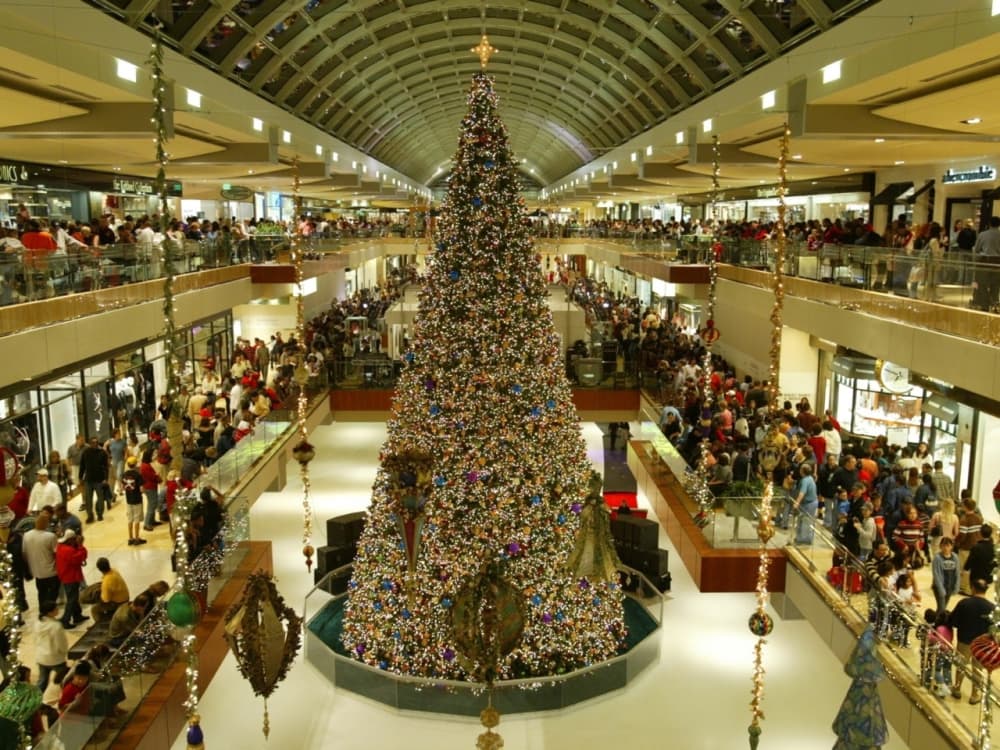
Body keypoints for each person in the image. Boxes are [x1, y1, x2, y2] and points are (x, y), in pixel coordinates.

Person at [949, 578, 996, 703]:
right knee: (978, 669)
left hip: (964, 640)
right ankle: (975, 694)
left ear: (972, 588)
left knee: (961, 665)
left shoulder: (964, 603)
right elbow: (994, 630)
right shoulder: (992, 608)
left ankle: (957, 688)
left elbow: (953, 621)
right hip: (982, 645)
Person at [22, 512, 59, 607]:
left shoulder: (26, 535)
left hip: (36, 571)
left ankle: (42, 609)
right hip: (51, 570)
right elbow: (56, 553)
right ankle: (49, 608)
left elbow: (24, 553)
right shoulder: (50, 536)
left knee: (41, 592)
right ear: (46, 524)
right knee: (53, 591)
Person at [55, 529, 88, 628]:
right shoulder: (68, 550)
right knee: (72, 599)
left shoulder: (61, 547)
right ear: (70, 540)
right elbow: (80, 557)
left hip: (67, 576)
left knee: (74, 597)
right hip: (71, 577)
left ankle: (77, 615)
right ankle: (65, 619)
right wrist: (81, 545)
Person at [35, 600, 68, 696]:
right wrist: (64, 652)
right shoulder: (56, 626)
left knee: (42, 682)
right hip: (55, 658)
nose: (58, 610)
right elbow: (61, 644)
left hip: (41, 657)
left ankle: (35, 700)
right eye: (56, 609)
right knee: (65, 678)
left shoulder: (37, 623)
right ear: (50, 612)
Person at [78, 435, 110, 523]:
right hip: (88, 480)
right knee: (88, 499)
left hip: (100, 480)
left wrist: (106, 479)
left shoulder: (102, 453)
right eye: (92, 443)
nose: (94, 444)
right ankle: (90, 516)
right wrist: (80, 477)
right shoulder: (86, 453)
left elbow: (106, 467)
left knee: (100, 498)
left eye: (96, 442)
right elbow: (82, 466)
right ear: (90, 443)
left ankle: (99, 514)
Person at [956, 497, 984, 594]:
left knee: (964, 568)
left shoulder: (964, 520)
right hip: (977, 546)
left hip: (966, 547)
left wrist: (957, 543)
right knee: (973, 568)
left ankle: (965, 588)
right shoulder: (979, 518)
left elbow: (963, 535)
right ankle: (972, 588)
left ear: (965, 507)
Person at [92, 557, 129, 623]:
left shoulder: (107, 581)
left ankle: (100, 624)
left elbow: (106, 599)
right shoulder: (114, 571)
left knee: (94, 609)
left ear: (99, 569)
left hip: (118, 603)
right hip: (126, 598)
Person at [930, 537, 960, 615]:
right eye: (944, 546)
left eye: (948, 546)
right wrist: (941, 589)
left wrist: (956, 586)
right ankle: (938, 625)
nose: (946, 548)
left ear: (951, 546)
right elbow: (936, 574)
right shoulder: (937, 558)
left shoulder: (955, 557)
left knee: (942, 608)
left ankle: (936, 621)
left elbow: (957, 572)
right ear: (940, 546)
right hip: (939, 587)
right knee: (942, 609)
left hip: (949, 586)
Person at [120, 456, 146, 546]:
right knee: (137, 519)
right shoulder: (138, 475)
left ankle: (130, 538)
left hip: (128, 500)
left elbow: (122, 488)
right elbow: (142, 489)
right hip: (137, 499)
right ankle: (137, 538)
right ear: (135, 464)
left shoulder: (124, 474)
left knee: (130, 519)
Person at [792, 463, 819, 545]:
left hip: (809, 504)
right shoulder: (810, 478)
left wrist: (796, 503)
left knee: (805, 521)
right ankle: (804, 538)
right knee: (806, 521)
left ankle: (803, 539)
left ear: (802, 471)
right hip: (812, 502)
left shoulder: (805, 480)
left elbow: (802, 493)